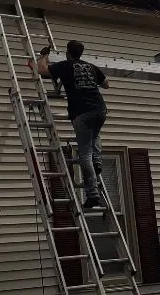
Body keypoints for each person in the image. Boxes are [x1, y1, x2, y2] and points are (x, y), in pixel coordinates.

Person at [37, 40, 109, 208]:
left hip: (82, 112)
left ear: (68, 52)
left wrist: (43, 56)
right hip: (100, 110)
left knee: (84, 154)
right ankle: (97, 161)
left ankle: (92, 194)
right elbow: (106, 84)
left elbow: (41, 70)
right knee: (95, 135)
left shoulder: (65, 66)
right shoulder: (91, 66)